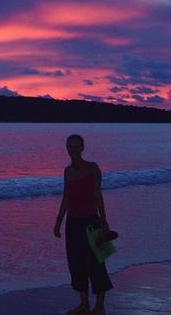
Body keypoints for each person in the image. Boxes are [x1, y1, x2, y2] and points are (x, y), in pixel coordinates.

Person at [53, 134, 113, 315]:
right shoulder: (67, 171)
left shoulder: (92, 168)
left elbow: (98, 195)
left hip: (91, 221)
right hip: (73, 222)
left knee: (97, 263)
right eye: (70, 146)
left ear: (82, 147)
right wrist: (58, 221)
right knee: (76, 263)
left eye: (76, 146)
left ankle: (100, 307)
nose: (73, 149)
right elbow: (66, 197)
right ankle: (84, 304)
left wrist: (104, 219)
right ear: (67, 148)